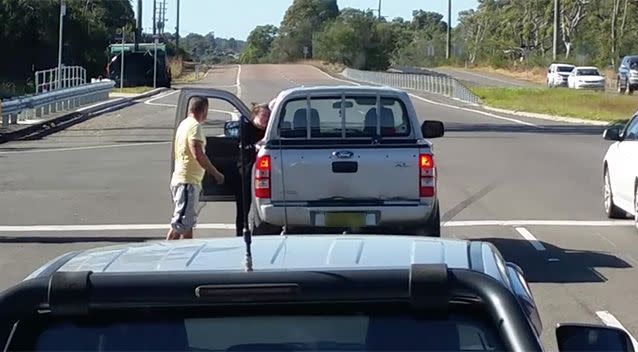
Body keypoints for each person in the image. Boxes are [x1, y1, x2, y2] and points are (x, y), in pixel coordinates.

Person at [166, 97, 224, 240]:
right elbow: (197, 153)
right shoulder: (194, 127)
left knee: (187, 224)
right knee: (180, 225)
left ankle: (185, 255)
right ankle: (166, 256)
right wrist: (215, 173)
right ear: (204, 110)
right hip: (187, 182)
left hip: (185, 180)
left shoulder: (184, 124)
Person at [234, 103, 271, 237]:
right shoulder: (246, 128)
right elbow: (243, 146)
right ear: (255, 115)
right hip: (246, 170)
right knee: (243, 205)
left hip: (264, 174)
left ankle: (259, 229)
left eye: (268, 116)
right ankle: (241, 231)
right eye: (263, 115)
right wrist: (256, 146)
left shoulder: (269, 131)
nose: (266, 119)